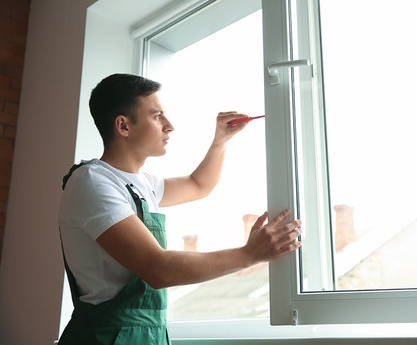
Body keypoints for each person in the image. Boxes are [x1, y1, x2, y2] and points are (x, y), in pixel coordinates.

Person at [58, 73, 302, 344]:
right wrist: (249, 254)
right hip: (105, 338)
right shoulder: (92, 181)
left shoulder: (142, 183)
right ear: (123, 126)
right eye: (157, 116)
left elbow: (199, 185)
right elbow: (157, 268)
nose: (169, 126)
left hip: (149, 336)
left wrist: (220, 140)